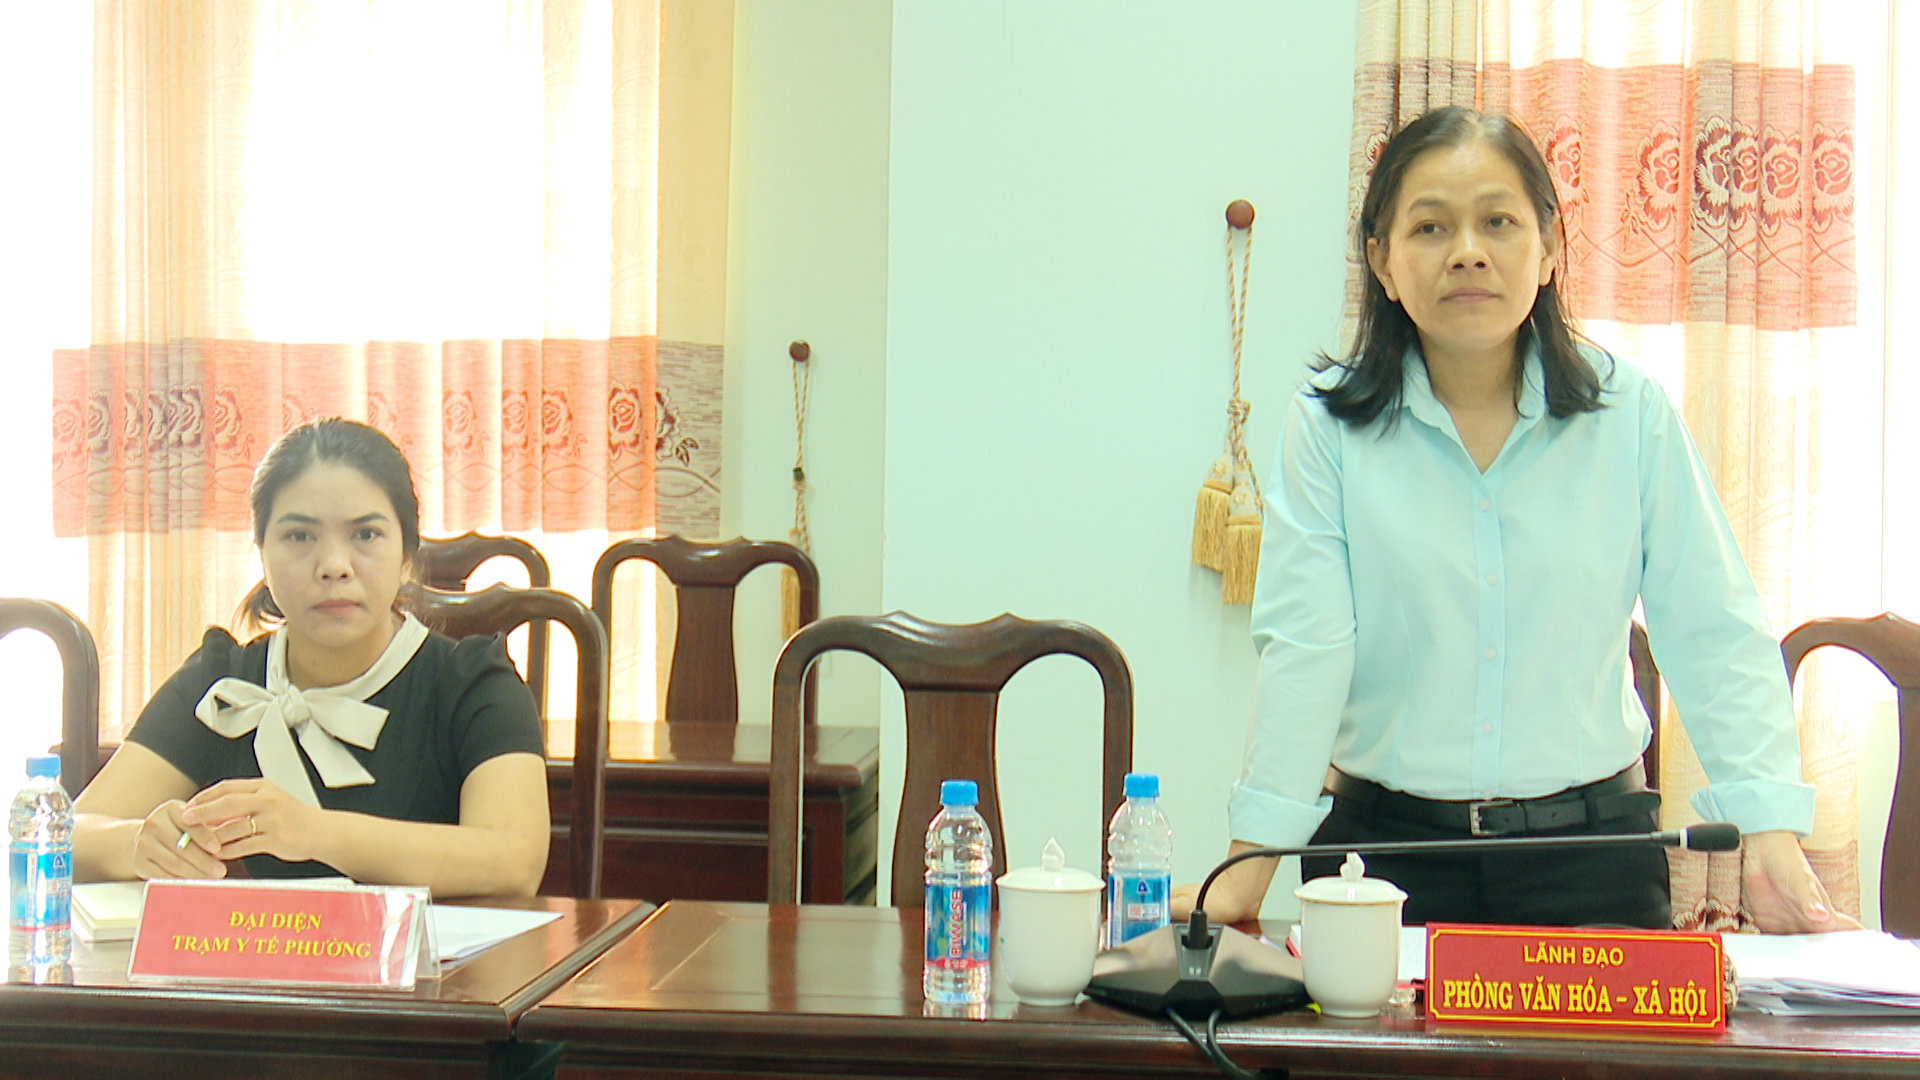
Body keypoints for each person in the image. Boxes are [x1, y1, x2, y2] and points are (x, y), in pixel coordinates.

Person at [1172, 106, 1854, 934]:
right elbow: (1307, 648)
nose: (1467, 251)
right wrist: (1249, 867)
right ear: (1382, 262)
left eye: (1498, 221)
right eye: (1430, 227)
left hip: (1593, 859)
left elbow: (1711, 628)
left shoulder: (1627, 414)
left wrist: (1768, 830)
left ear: (1551, 245)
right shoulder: (1327, 425)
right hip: (1383, 858)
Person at [73, 418, 550, 898]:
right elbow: (70, 834)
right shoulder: (225, 685)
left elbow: (514, 861)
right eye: (300, 537)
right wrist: (136, 844)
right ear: (262, 554)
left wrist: (312, 832)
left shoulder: (473, 680)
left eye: (366, 535)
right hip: (262, 949)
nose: (334, 566)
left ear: (407, 555)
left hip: (435, 950)